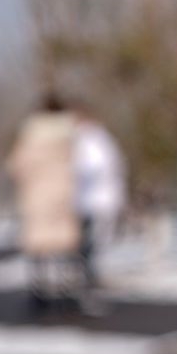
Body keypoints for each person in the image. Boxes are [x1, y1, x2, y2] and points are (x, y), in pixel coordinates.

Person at [7, 92, 80, 312]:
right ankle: (67, 289)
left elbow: (15, 166)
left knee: (39, 246)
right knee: (64, 245)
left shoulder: (30, 136)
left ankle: (39, 290)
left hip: (37, 194)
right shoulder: (70, 134)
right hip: (63, 194)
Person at [72, 105, 127, 302]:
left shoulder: (89, 139)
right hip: (94, 198)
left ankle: (89, 275)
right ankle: (89, 273)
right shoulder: (100, 138)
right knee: (91, 240)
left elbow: (90, 167)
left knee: (92, 240)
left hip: (92, 199)